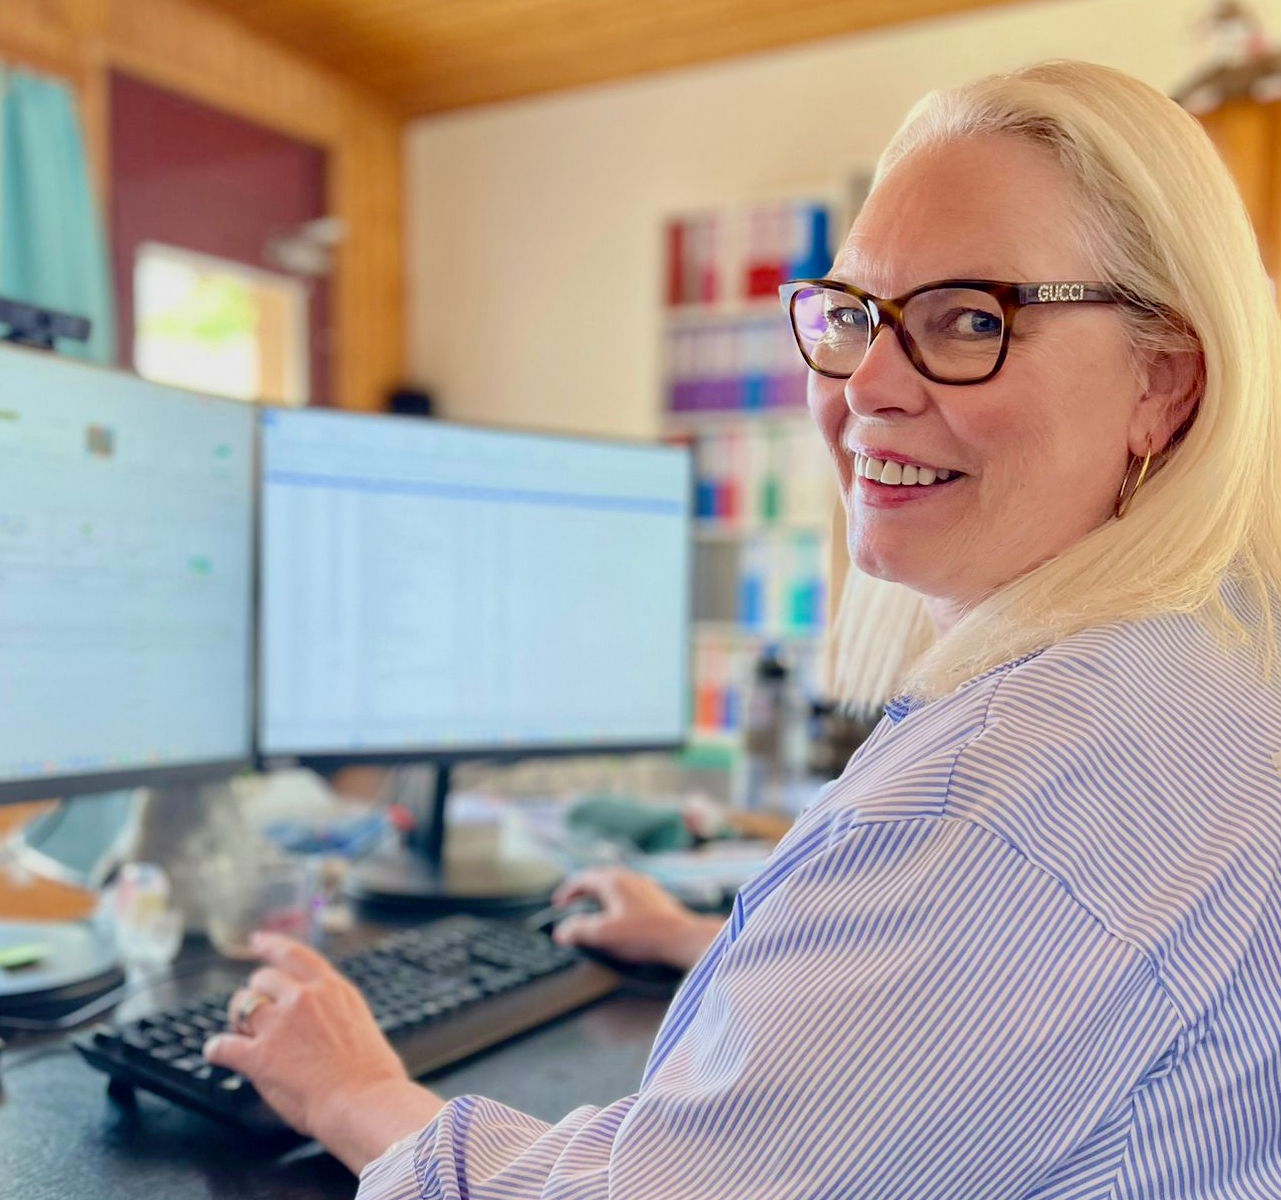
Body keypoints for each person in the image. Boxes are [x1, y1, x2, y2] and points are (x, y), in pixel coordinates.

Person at [203, 60, 1281, 1198]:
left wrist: (354, 1094)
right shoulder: (1212, 658)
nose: (866, 383)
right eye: (857, 314)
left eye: (971, 319)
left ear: (1164, 382)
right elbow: (1006, 1010)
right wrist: (718, 951)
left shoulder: (1010, 787)